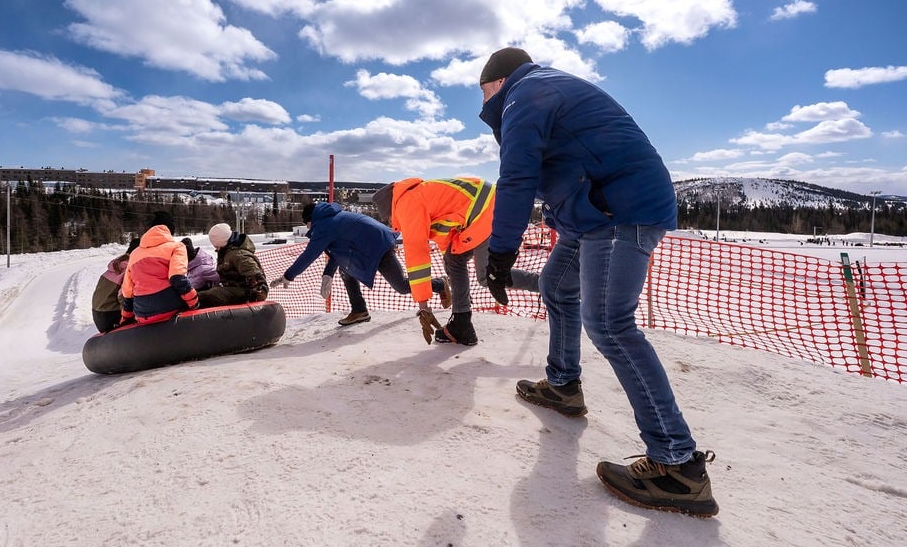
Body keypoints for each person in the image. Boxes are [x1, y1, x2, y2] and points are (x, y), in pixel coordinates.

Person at [477, 46, 718, 517]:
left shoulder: (525, 93)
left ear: (496, 81)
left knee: (609, 323)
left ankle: (678, 465)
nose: (481, 99)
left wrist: (501, 250)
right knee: (557, 286)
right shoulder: (541, 89)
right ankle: (563, 385)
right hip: (596, 213)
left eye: (482, 88)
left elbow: (518, 175)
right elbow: (565, 167)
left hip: (619, 210)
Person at [372, 177, 539, 347]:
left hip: (484, 211)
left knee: (486, 276)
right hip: (487, 206)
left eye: (388, 219)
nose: (390, 223)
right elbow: (447, 240)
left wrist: (423, 305)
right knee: (454, 260)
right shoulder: (417, 195)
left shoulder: (407, 205)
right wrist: (459, 288)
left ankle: (547, 285)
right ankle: (461, 323)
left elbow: (417, 256)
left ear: (389, 211)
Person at [270, 202, 451, 336]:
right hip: (375, 244)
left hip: (378, 248)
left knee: (402, 287)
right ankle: (359, 310)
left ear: (310, 220)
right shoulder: (332, 219)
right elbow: (337, 250)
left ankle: (439, 284)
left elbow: (309, 254)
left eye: (307, 224)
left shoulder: (324, 226)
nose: (307, 228)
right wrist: (328, 274)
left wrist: (288, 276)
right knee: (346, 270)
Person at [120, 211, 199, 324]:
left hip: (142, 313)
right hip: (169, 308)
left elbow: (127, 291)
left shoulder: (134, 254)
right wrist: (194, 302)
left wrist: (125, 317)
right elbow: (177, 277)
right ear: (170, 231)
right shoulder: (177, 247)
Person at [197, 223, 270, 307]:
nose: (214, 247)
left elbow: (260, 285)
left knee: (210, 295)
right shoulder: (226, 252)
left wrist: (252, 301)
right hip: (234, 289)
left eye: (215, 244)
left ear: (221, 241)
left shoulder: (240, 256)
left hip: (246, 294)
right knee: (204, 291)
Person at [91, 237, 140, 332]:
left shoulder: (117, 265)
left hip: (98, 314)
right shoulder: (129, 268)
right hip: (110, 316)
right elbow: (123, 296)